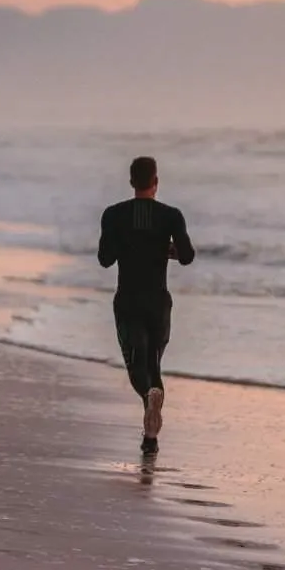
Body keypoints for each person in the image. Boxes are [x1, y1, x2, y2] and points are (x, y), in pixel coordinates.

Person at [97, 156, 196, 456]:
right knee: (154, 364)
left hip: (128, 300)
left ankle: (149, 400)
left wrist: (127, 245)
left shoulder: (114, 215)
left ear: (131, 182)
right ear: (156, 181)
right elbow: (188, 256)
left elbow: (105, 259)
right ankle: (150, 439)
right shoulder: (170, 216)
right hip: (157, 302)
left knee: (136, 366)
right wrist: (166, 249)